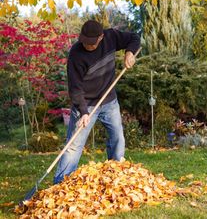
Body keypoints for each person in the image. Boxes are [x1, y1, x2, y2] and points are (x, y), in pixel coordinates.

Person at [53, 20, 141, 184]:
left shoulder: (111, 37)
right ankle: (60, 184)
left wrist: (130, 53)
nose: (87, 45)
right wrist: (83, 112)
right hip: (86, 103)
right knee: (73, 145)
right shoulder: (76, 54)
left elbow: (134, 38)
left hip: (109, 101)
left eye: (91, 43)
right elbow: (75, 88)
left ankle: (116, 176)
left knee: (117, 138)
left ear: (101, 37)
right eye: (84, 41)